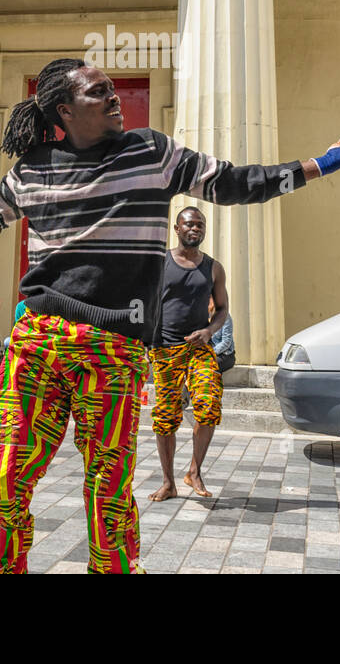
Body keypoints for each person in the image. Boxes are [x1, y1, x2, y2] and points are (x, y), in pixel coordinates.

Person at [0, 57, 340, 574]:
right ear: (65, 111)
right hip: (38, 344)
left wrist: (325, 163)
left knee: (109, 497)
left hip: (114, 350)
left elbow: (239, 182)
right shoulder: (32, 170)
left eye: (113, 89)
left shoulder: (152, 152)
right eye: (99, 92)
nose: (115, 96)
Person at [148, 207, 229, 501]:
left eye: (200, 224)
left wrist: (209, 331)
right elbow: (146, 302)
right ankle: (168, 482)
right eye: (189, 224)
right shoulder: (161, 263)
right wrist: (147, 340)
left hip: (199, 347)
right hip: (165, 349)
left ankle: (194, 471)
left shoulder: (214, 268)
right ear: (177, 229)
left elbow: (222, 310)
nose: (195, 228)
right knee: (165, 417)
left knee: (209, 404)